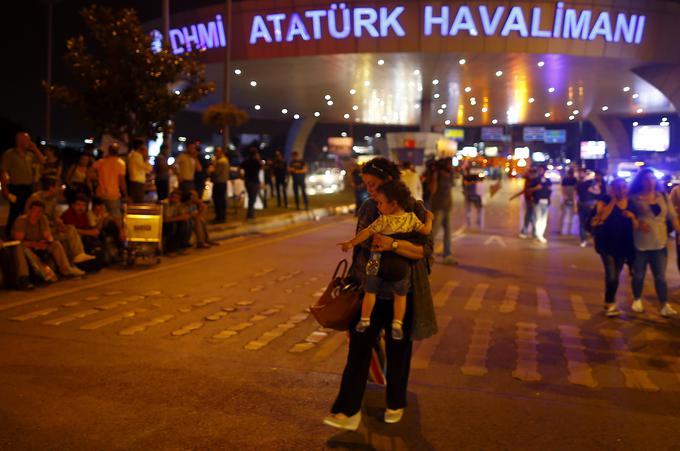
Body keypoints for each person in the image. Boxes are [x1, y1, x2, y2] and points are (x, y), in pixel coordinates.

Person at [324, 157, 436, 430]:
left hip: (402, 292)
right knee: (359, 350)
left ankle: (395, 403)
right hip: (369, 291)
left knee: (399, 350)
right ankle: (347, 411)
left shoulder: (414, 209)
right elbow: (360, 247)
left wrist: (392, 244)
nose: (370, 191)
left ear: (389, 181)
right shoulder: (368, 208)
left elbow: (425, 252)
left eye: (373, 185)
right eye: (366, 185)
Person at [338, 180, 433, 340]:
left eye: (381, 203)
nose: (378, 207)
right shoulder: (411, 219)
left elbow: (366, 232)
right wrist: (429, 218)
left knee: (370, 290)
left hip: (377, 261)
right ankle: (397, 323)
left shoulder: (384, 220)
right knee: (400, 294)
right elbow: (425, 230)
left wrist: (350, 243)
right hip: (401, 264)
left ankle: (365, 319)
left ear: (393, 204)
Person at [628, 168, 680, 317]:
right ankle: (637, 299)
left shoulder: (663, 196)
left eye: (652, 178)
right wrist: (636, 221)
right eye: (646, 179)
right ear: (641, 181)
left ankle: (664, 304)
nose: (650, 181)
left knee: (660, 277)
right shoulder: (634, 198)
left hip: (660, 243)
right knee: (639, 275)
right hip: (640, 243)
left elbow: (673, 217)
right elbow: (627, 215)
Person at [591, 179, 638, 317]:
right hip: (606, 243)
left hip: (623, 244)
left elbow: (636, 226)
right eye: (619, 188)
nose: (623, 190)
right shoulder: (604, 200)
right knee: (611, 274)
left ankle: (609, 302)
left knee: (616, 275)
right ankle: (610, 303)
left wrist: (632, 217)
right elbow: (602, 217)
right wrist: (613, 200)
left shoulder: (631, 203)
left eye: (624, 187)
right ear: (613, 189)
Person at [26, 177, 95, 264]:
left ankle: (79, 255)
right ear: (51, 187)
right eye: (57, 186)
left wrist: (59, 222)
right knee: (67, 235)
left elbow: (55, 215)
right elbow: (29, 217)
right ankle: (72, 261)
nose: (59, 189)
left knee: (70, 228)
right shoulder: (35, 198)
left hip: (51, 227)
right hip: (41, 230)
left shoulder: (53, 199)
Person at [12, 200, 85, 277]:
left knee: (56, 244)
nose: (37, 214)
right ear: (29, 211)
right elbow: (19, 241)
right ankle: (24, 276)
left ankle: (66, 270)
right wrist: (36, 244)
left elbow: (47, 235)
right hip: (27, 246)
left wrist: (48, 241)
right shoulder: (21, 221)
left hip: (39, 244)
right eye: (35, 211)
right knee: (21, 247)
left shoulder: (43, 219)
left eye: (40, 211)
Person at [1, 131, 45, 238]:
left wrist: (35, 149)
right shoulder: (9, 154)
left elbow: (43, 161)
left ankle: (24, 234)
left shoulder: (30, 155)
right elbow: (3, 171)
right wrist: (4, 189)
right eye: (27, 140)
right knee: (15, 212)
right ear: (20, 141)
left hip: (28, 187)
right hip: (16, 187)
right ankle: (9, 234)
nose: (29, 142)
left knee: (27, 211)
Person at [429, 157, 457, 265]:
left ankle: (447, 255)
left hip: (447, 207)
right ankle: (426, 253)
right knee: (434, 232)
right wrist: (435, 177)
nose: (451, 166)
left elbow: (452, 187)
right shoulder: (437, 175)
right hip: (438, 207)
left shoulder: (449, 175)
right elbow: (433, 190)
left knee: (448, 232)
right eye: (449, 164)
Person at [92, 143, 127, 221]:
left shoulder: (101, 162)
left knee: (100, 217)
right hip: (113, 195)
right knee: (116, 217)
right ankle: (116, 232)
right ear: (118, 151)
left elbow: (90, 173)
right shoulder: (121, 163)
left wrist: (95, 181)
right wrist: (125, 194)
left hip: (100, 193)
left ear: (109, 151)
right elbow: (122, 181)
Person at [576, 168, 604, 247]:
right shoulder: (578, 183)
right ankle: (583, 240)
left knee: (592, 222)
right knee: (582, 223)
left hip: (590, 204)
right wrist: (575, 205)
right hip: (581, 204)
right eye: (579, 173)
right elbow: (576, 194)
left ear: (585, 174)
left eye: (581, 173)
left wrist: (592, 190)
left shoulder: (591, 182)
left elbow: (598, 192)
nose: (580, 174)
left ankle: (594, 238)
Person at [162, 189, 192, 253]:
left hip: (171, 222)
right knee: (173, 226)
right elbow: (166, 220)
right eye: (173, 197)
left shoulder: (177, 204)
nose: (175, 199)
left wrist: (182, 216)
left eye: (177, 198)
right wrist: (181, 217)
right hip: (163, 225)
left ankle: (183, 245)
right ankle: (170, 249)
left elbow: (183, 214)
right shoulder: (166, 203)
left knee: (188, 222)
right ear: (170, 196)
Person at [512, 167, 538, 239]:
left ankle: (527, 231)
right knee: (531, 216)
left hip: (532, 200)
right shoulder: (529, 180)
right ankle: (533, 232)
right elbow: (525, 190)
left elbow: (530, 190)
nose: (529, 174)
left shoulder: (534, 181)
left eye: (530, 173)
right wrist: (515, 196)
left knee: (529, 216)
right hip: (528, 200)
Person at [531, 165, 552, 244]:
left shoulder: (548, 180)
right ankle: (538, 235)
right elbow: (529, 190)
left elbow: (550, 190)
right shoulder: (535, 180)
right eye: (540, 170)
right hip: (538, 202)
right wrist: (535, 188)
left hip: (546, 202)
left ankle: (540, 234)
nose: (541, 171)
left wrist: (549, 191)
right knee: (538, 219)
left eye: (542, 170)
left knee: (544, 220)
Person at [240, 148, 263, 220]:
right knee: (252, 199)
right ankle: (250, 215)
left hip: (248, 181)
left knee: (251, 198)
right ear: (255, 154)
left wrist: (241, 176)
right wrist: (259, 158)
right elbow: (262, 167)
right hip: (254, 182)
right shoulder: (256, 162)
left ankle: (250, 214)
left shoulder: (246, 161)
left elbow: (239, 168)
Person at [127, 139, 152, 203]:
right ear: (140, 147)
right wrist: (146, 158)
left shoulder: (131, 155)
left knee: (136, 201)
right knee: (138, 202)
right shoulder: (137, 156)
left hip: (135, 181)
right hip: (137, 182)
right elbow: (148, 168)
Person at [210, 146, 229, 223]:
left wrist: (211, 170)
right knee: (221, 200)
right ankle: (221, 216)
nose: (215, 154)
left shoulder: (221, 161)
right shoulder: (225, 160)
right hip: (222, 182)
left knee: (218, 200)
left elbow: (216, 172)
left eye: (216, 152)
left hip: (219, 182)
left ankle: (220, 217)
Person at [559, 167, 577, 236]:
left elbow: (563, 189)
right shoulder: (569, 180)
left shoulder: (572, 180)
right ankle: (565, 230)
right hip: (568, 198)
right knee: (566, 215)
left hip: (570, 198)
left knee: (567, 215)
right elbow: (563, 189)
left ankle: (566, 230)